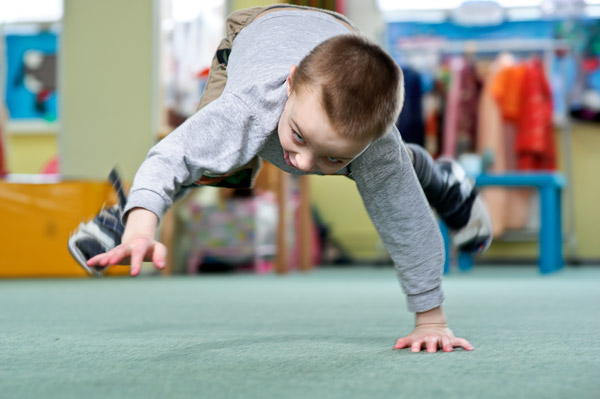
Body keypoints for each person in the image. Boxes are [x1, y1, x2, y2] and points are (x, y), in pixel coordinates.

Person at [68, 5, 491, 353]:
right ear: (290, 85)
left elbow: (407, 225)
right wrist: (144, 225)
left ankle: (440, 179)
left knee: (387, 171)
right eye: (299, 138)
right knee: (216, 163)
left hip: (342, 36)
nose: (304, 164)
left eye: (329, 157)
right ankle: (128, 220)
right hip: (255, 30)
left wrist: (431, 319)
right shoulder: (246, 107)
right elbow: (174, 154)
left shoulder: (373, 144)